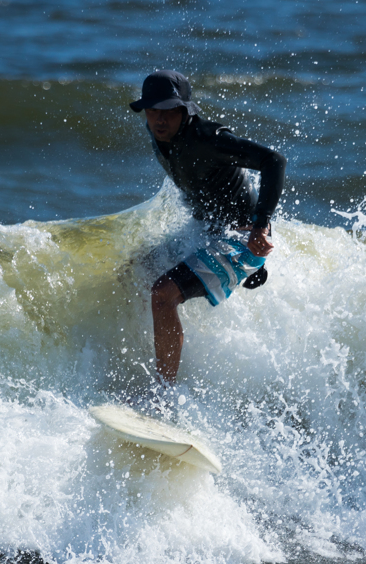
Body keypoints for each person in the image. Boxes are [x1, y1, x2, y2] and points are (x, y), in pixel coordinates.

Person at [129, 70, 286, 386]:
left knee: (163, 293)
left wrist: (259, 229)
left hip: (241, 241)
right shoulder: (158, 132)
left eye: (169, 110)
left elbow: (274, 161)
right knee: (133, 271)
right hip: (205, 234)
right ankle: (144, 358)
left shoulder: (207, 138)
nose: (159, 119)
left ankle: (163, 393)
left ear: (185, 109)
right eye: (152, 110)